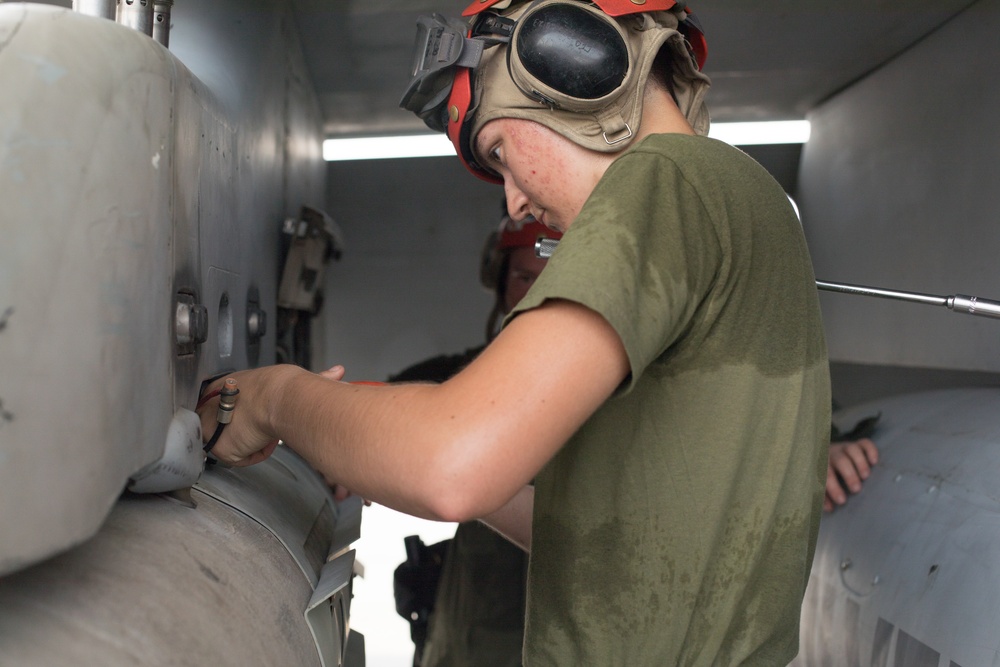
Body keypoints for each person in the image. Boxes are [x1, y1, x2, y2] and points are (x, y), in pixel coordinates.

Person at [200, 2, 832, 662]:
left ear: (575, 69)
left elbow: (452, 464)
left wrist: (273, 399)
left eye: (499, 151)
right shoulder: (752, 203)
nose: (514, 201)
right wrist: (357, 437)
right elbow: (623, 545)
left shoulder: (661, 181)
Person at [391, 208, 559, 667]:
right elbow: (385, 405)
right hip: (466, 637)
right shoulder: (462, 379)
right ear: (499, 282)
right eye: (525, 277)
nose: (539, 295)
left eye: (556, 278)